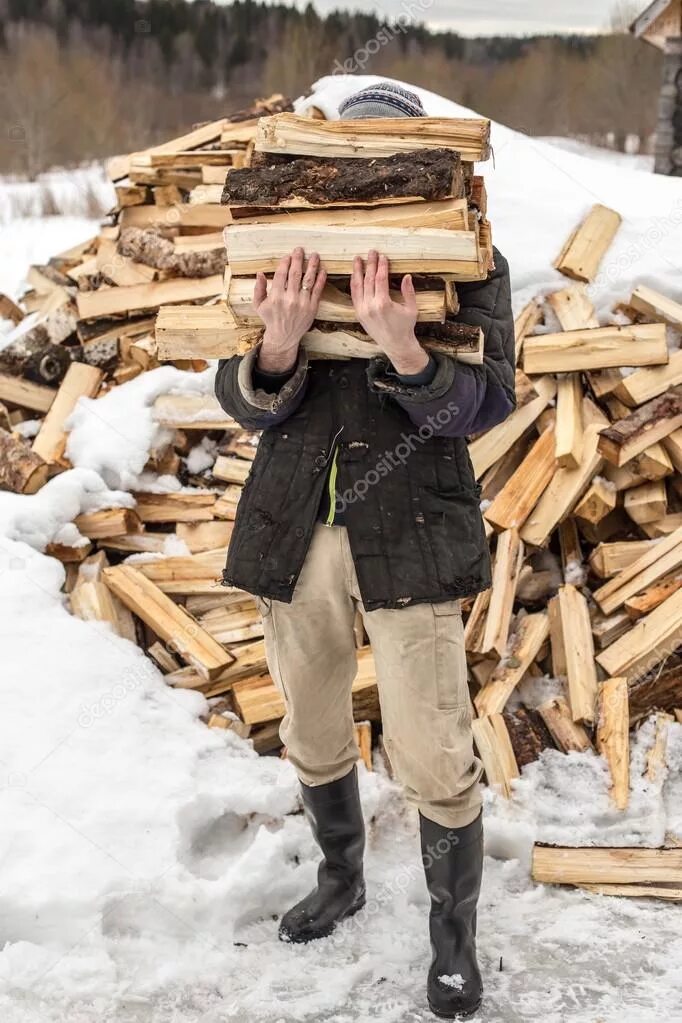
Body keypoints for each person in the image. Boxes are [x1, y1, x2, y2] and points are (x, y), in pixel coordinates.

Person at [215, 81, 516, 1020]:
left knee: (432, 746)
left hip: (411, 529)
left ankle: (453, 937)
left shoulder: (465, 255)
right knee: (309, 720)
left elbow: (492, 401)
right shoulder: (282, 248)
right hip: (295, 523)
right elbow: (238, 397)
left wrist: (411, 354)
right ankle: (342, 877)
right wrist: (277, 347)